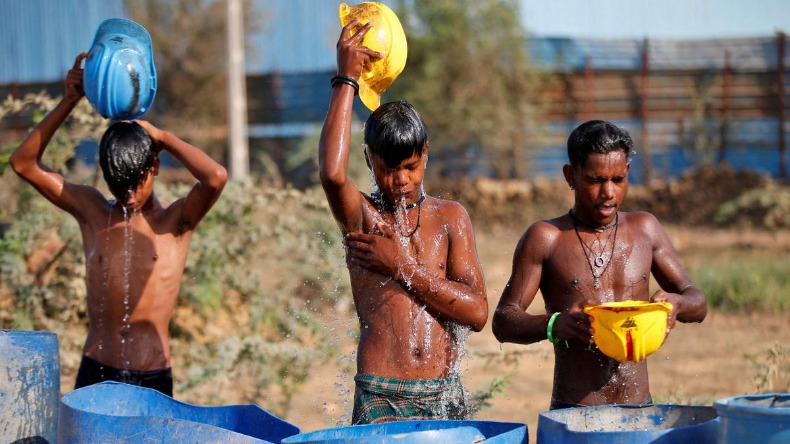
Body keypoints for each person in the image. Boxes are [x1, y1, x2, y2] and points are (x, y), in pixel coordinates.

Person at [9, 53, 228, 396]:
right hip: (96, 368)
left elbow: (216, 177)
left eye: (134, 183)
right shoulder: (92, 211)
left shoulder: (177, 221)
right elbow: (23, 163)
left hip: (153, 375)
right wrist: (69, 101)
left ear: (154, 166)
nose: (126, 196)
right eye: (116, 185)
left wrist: (163, 136)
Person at [320, 21, 488, 424]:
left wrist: (402, 266)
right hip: (381, 391)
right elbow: (331, 174)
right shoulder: (364, 217)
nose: (400, 181)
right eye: (388, 169)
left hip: (442, 391)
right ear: (369, 161)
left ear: (426, 154)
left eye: (410, 167)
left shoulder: (450, 218)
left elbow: (478, 313)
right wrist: (346, 80)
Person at [491, 120, 708, 409]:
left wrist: (675, 305)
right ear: (571, 176)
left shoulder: (645, 229)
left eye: (618, 180)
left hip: (639, 408)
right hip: (575, 412)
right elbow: (504, 321)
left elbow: (698, 301)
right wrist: (555, 323)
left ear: (628, 173)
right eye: (595, 181)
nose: (608, 193)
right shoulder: (546, 238)